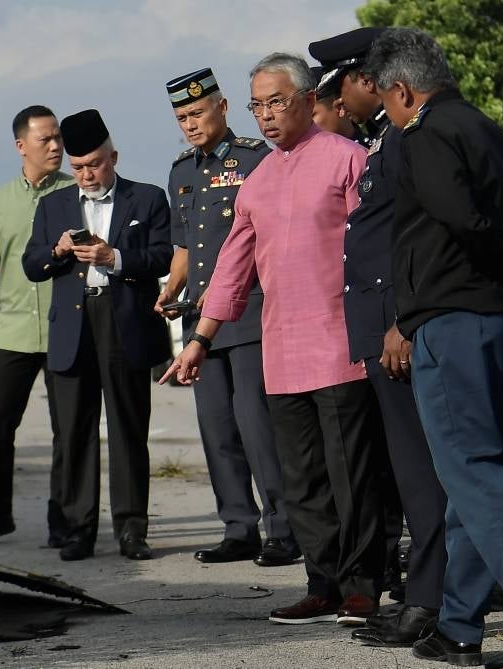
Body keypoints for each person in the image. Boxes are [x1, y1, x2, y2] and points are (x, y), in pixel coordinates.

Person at [367, 29, 503, 669]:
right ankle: (458, 624)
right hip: (495, 322)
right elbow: (501, 221)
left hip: (455, 320)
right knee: (471, 476)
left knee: (472, 472)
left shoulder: (426, 134)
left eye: (385, 101)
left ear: (403, 91)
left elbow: (460, 217)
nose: (387, 113)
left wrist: (500, 267)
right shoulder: (489, 131)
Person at [162, 52, 385, 627]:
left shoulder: (348, 159)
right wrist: (200, 339)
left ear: (309, 101)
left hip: (341, 349)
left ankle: (363, 586)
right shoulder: (256, 182)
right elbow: (231, 269)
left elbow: (375, 251)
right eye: (258, 104)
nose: (265, 115)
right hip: (281, 354)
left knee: (351, 476)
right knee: (301, 480)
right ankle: (323, 584)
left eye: (277, 102)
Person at [308, 26, 448, 644]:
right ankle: (429, 592)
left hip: (399, 330)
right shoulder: (386, 138)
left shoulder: (409, 139)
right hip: (381, 328)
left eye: (342, 87)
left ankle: (432, 599)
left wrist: (401, 322)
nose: (338, 102)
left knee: (422, 473)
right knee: (408, 472)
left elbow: (416, 238)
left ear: (371, 80)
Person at [155, 68, 298, 566]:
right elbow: (184, 247)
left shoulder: (255, 159)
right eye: (182, 118)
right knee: (217, 428)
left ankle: (284, 528)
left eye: (197, 113)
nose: (190, 124)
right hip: (199, 319)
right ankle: (239, 527)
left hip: (249, 312)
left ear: (222, 107)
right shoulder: (180, 172)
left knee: (258, 426)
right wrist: (171, 288)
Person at [22, 109, 172, 562]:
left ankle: (131, 528)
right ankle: (78, 529)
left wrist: (115, 258)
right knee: (74, 432)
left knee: (128, 428)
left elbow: (163, 256)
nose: (87, 175)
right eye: (78, 167)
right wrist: (57, 251)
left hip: (122, 318)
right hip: (73, 323)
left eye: (95, 165)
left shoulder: (147, 198)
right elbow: (32, 264)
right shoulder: (53, 205)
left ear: (114, 158)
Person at [0, 105, 75, 547]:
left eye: (58, 137)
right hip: (12, 333)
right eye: (45, 139)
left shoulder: (77, 193)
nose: (56, 146)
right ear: (21, 146)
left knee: (69, 428)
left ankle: (64, 518)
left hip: (68, 329)